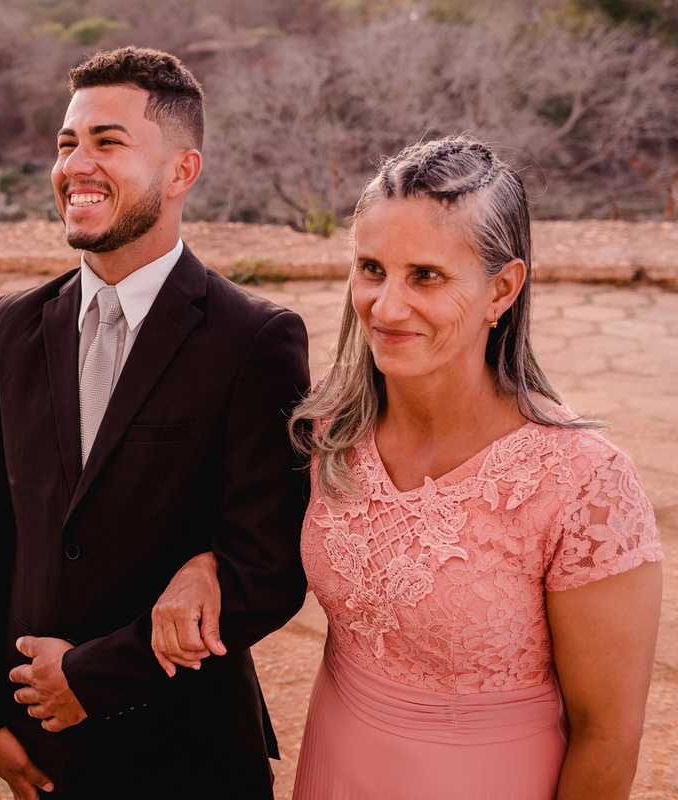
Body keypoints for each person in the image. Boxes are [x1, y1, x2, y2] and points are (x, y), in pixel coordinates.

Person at [150, 137, 664, 799]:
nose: (386, 308)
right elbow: (261, 533)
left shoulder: (585, 484)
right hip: (337, 763)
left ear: (502, 289)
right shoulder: (329, 428)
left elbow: (608, 736)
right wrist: (208, 562)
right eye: (371, 268)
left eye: (426, 275)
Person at [0, 47, 311, 799]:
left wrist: (87, 676)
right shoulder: (10, 326)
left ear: (182, 172)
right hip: (42, 745)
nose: (75, 165)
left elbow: (267, 572)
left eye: (107, 142)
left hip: (188, 746)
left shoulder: (255, 339)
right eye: (66, 143)